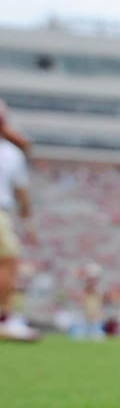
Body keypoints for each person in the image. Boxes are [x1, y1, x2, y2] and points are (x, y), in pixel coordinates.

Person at [0, 100, 37, 341]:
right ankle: (3, 319)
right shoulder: (10, 153)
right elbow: (22, 193)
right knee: (7, 263)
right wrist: (28, 223)